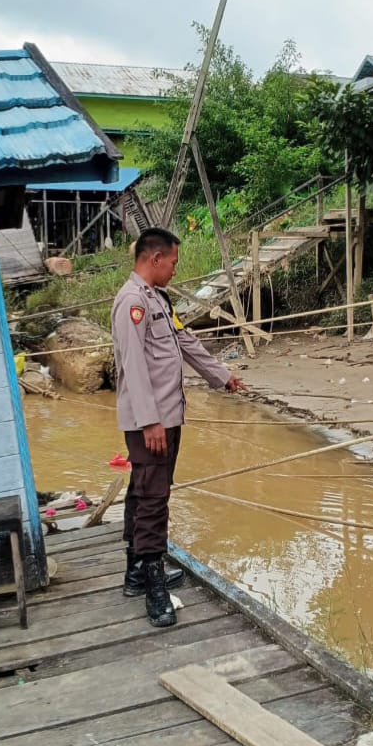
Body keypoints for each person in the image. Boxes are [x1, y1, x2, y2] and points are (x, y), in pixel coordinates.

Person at [111, 227, 246, 628]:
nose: (175, 269)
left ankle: (137, 571)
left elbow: (185, 342)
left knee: (144, 490)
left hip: (167, 416)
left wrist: (221, 375)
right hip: (151, 422)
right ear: (154, 259)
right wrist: (149, 421)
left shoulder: (158, 299)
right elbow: (134, 365)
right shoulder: (132, 302)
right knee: (153, 499)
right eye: (172, 262)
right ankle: (154, 589)